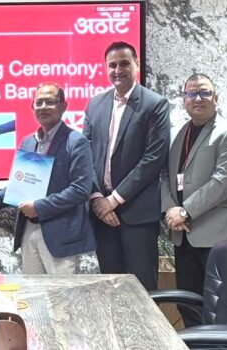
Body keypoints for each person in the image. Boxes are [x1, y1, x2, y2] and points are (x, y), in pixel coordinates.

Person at [82, 41, 170, 290]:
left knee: (144, 288)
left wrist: (113, 200)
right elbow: (84, 155)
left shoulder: (155, 104)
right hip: (101, 213)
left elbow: (153, 159)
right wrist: (97, 198)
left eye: (124, 63)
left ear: (136, 65)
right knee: (111, 287)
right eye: (112, 65)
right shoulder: (94, 104)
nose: (118, 70)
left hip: (138, 214)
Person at [0, 84, 95, 274]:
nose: (43, 107)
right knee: (33, 291)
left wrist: (39, 207)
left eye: (50, 102)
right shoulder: (28, 142)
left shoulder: (76, 142)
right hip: (28, 229)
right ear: (32, 107)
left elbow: (80, 190)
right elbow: (18, 188)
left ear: (63, 106)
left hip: (60, 234)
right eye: (39, 102)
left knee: (62, 291)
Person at [161, 74, 227, 327]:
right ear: (183, 99)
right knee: (187, 303)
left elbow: (223, 182)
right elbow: (164, 176)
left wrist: (184, 212)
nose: (198, 99)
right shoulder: (176, 134)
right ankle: (194, 344)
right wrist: (170, 210)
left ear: (216, 97)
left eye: (205, 92)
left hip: (215, 236)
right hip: (182, 235)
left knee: (218, 307)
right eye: (192, 93)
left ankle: (216, 345)